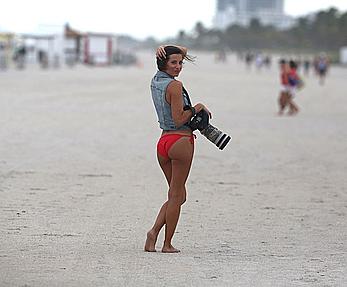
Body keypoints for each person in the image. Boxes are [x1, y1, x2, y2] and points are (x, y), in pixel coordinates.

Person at [145, 45, 211, 253]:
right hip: (180, 142)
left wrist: (164, 48)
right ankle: (166, 244)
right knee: (176, 196)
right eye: (173, 62)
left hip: (163, 142)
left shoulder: (156, 81)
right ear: (164, 62)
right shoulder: (175, 86)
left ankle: (153, 232)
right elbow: (179, 118)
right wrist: (197, 107)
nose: (178, 66)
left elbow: (182, 49)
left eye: (180, 62)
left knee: (178, 195)